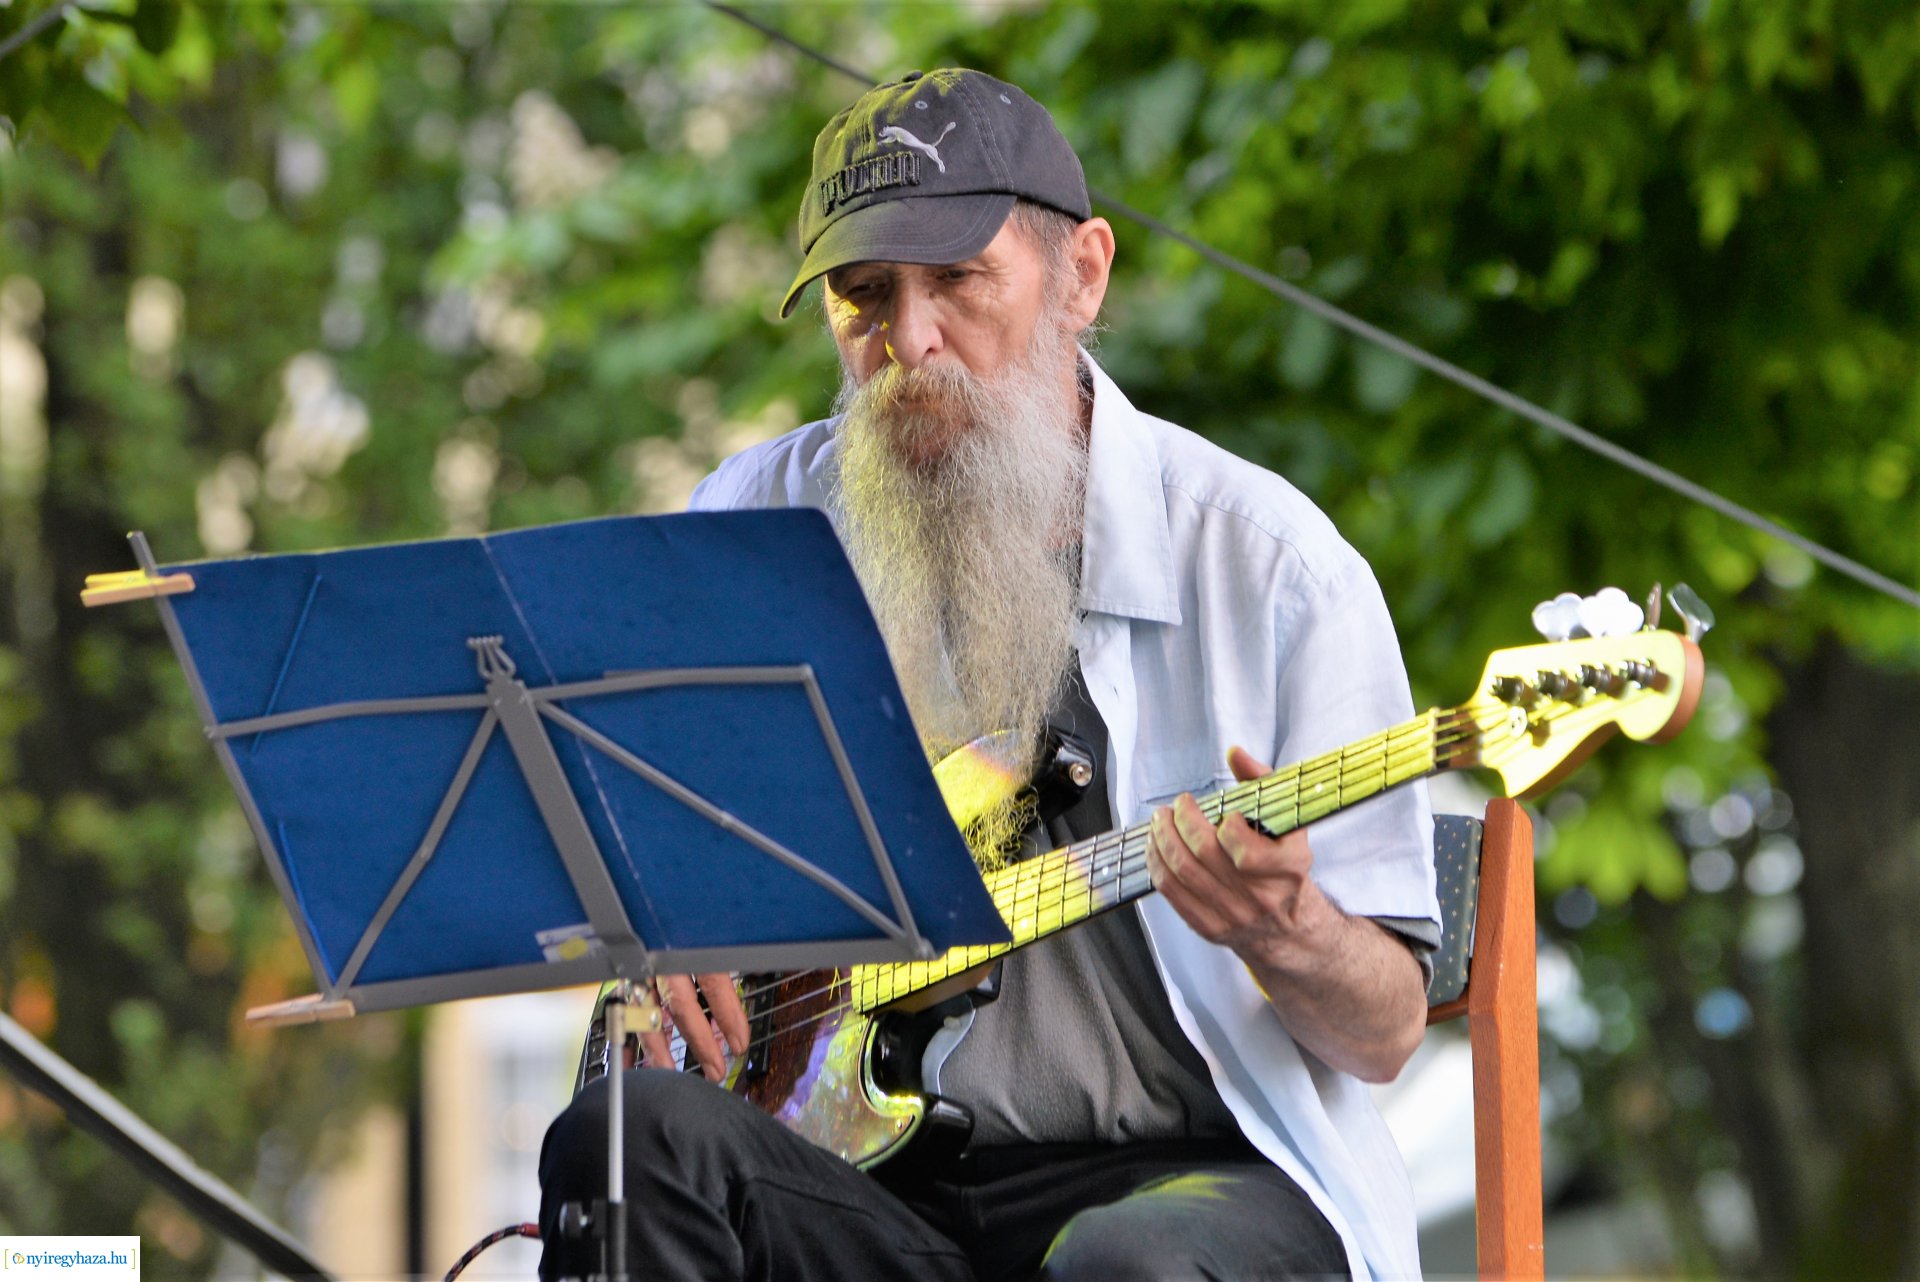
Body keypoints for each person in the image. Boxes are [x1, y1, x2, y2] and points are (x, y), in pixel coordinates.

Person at [537, 67, 1440, 1282]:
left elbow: (1382, 1033)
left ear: (1083, 275)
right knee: (626, 1141)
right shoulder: (752, 522)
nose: (911, 341)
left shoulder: (1271, 567)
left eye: (958, 280)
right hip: (866, 1179)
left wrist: (1290, 929)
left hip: (1199, 1181)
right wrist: (660, 923)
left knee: (1125, 1263)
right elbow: (641, 832)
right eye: (864, 298)